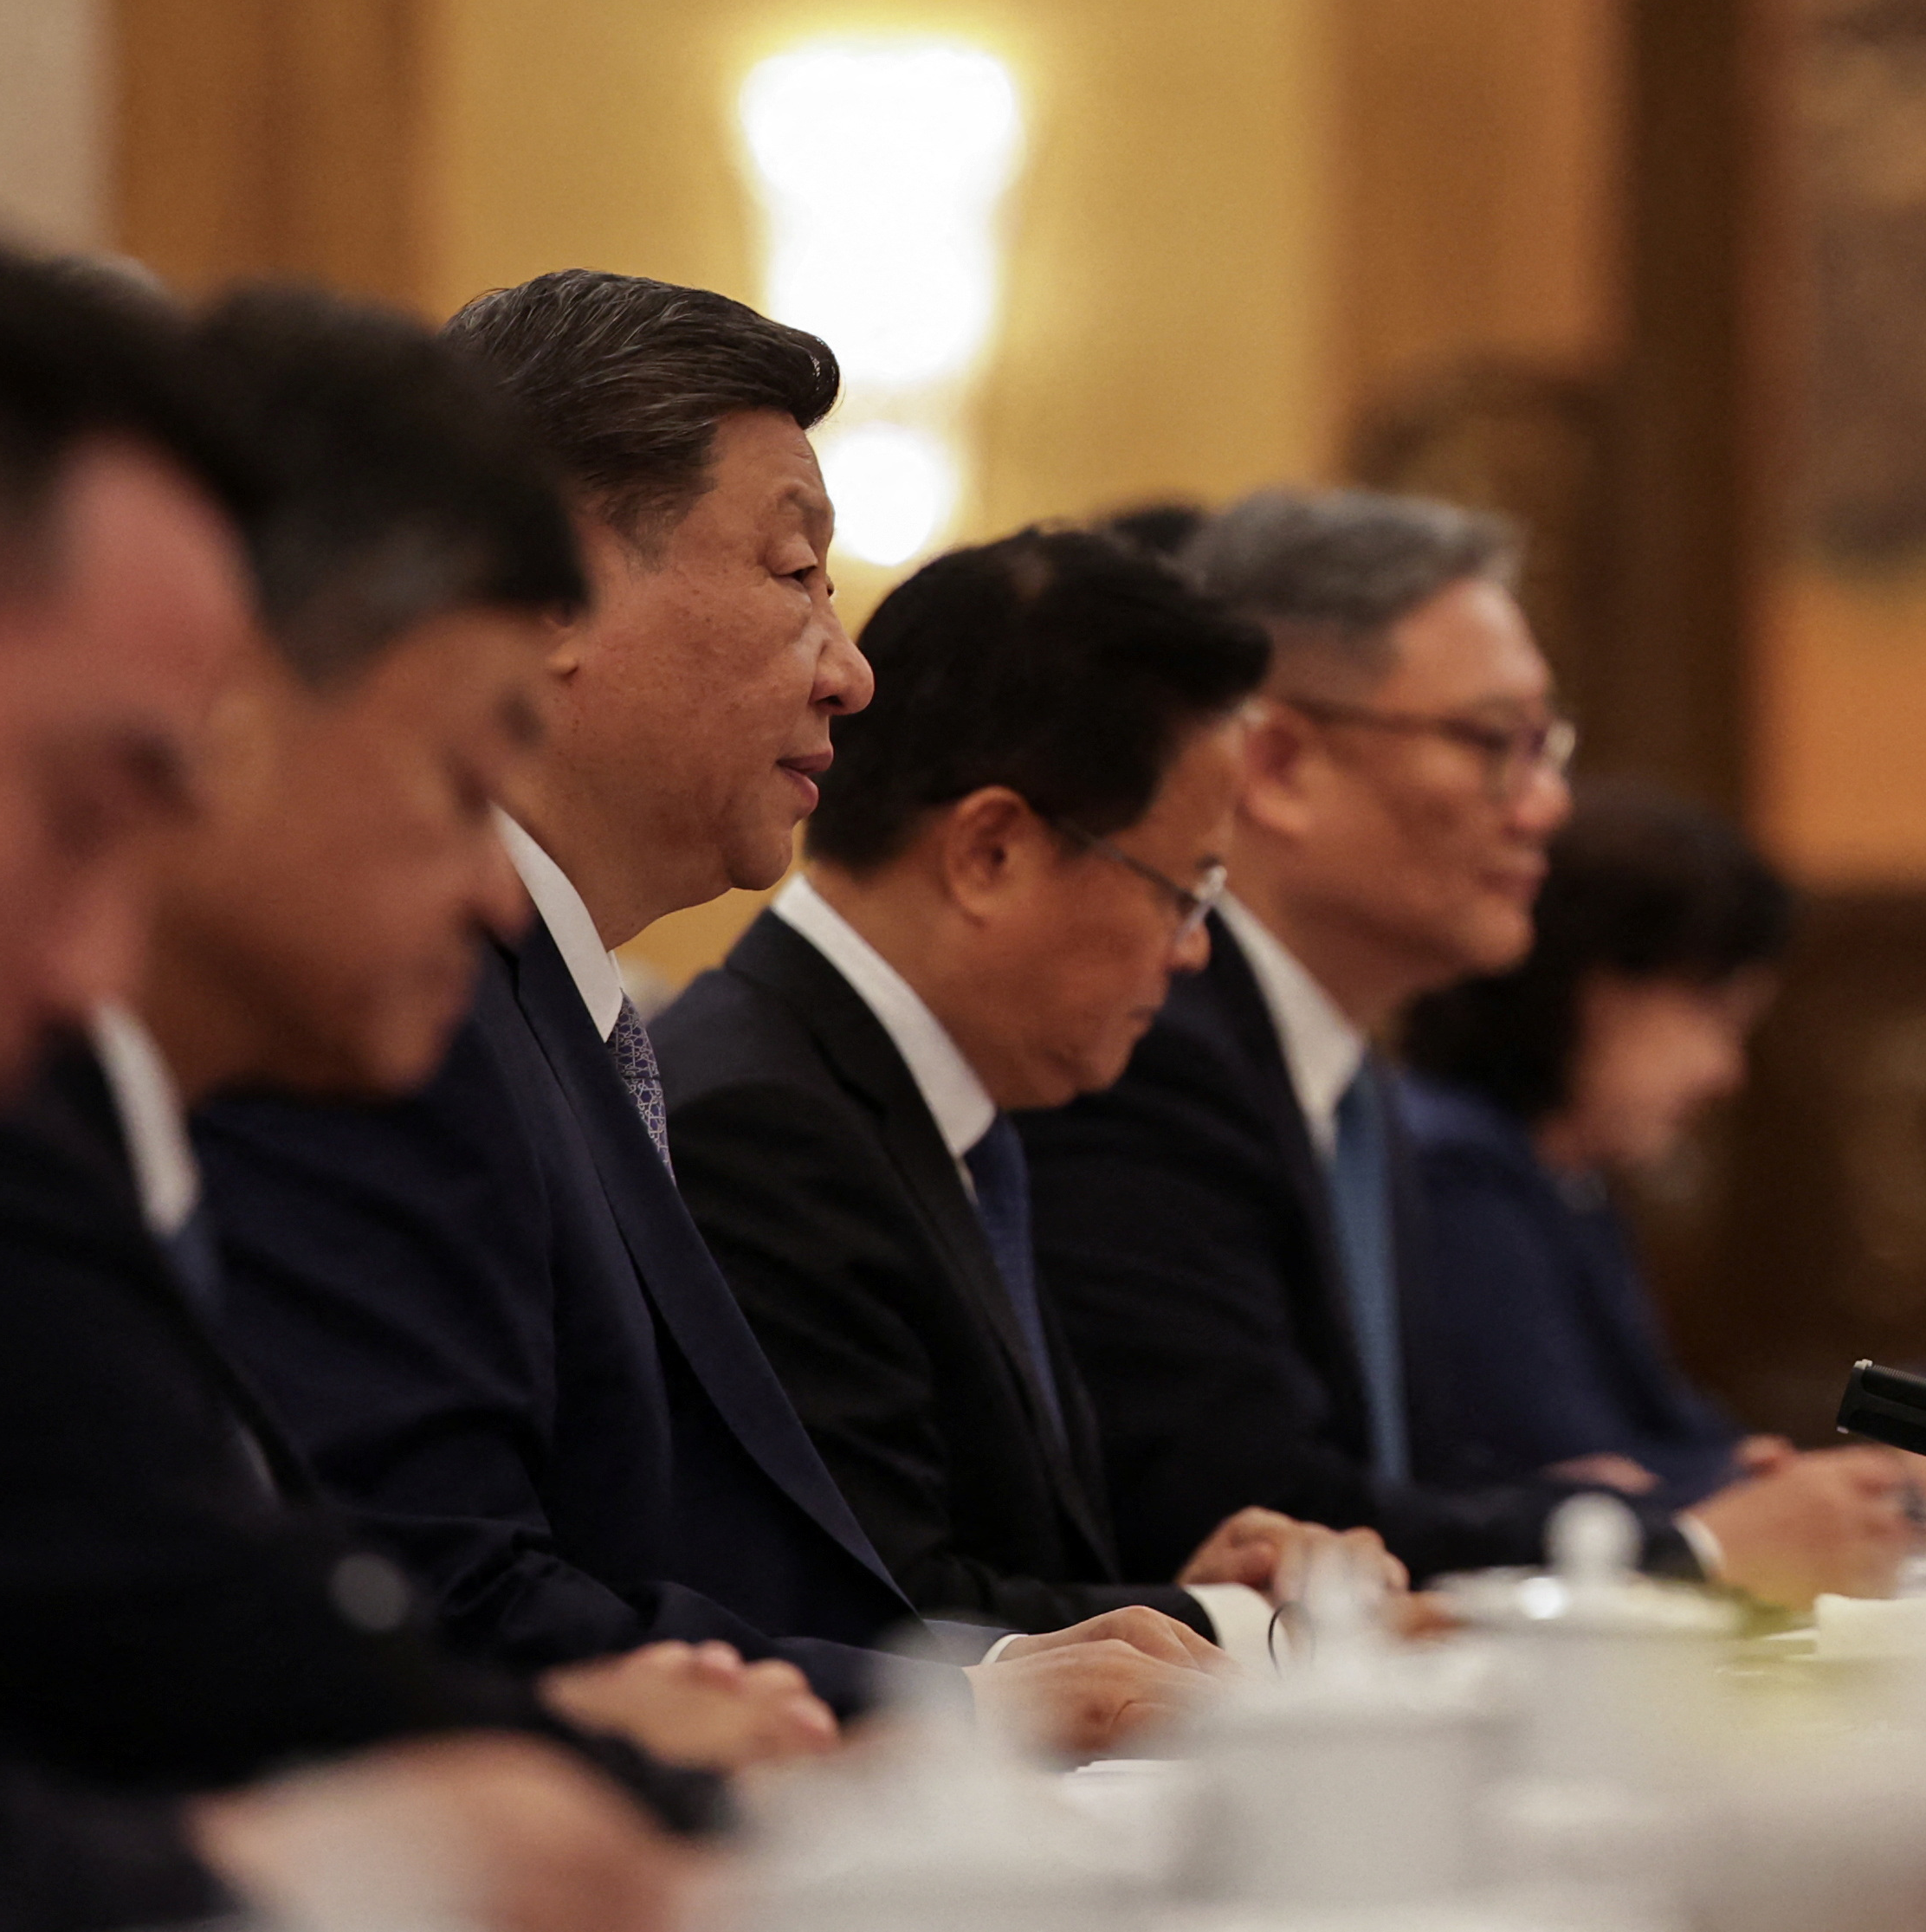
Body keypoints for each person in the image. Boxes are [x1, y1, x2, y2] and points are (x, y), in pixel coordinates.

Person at [195, 270, 1214, 1756]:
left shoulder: (547, 1016)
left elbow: (682, 1569)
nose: (852, 672)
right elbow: (448, 1593)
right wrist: (962, 1710)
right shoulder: (392, 1023)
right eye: (798, 578)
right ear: (547, 590)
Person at [0, 287, 827, 1798]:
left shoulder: (69, 1135)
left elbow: (237, 1634)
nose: (490, 885)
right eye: (459, 784)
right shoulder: (7, 1159)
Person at [1032, 488, 1914, 1601]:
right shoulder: (1152, 1050)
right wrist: (1690, 1540)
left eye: (1548, 747)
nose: (1546, 806)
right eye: (1496, 742)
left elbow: (1423, 1477)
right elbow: (1247, 1514)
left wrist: (1630, 1503)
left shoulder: (1349, 1084)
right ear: (1280, 767)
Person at [661, 527, 1393, 1644]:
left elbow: (985, 1560)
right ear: (990, 851)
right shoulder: (766, 1127)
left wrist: (1163, 1589)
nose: (1194, 950)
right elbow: (871, 1617)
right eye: (1186, 889)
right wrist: (1240, 1621)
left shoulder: (922, 1102)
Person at [1398, 782, 1792, 1504]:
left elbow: (1671, 1435)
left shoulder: (1564, 1178)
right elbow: (1569, 1469)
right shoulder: (1452, 1175)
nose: (1725, 1073)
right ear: (1594, 989)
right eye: (1712, 1014)